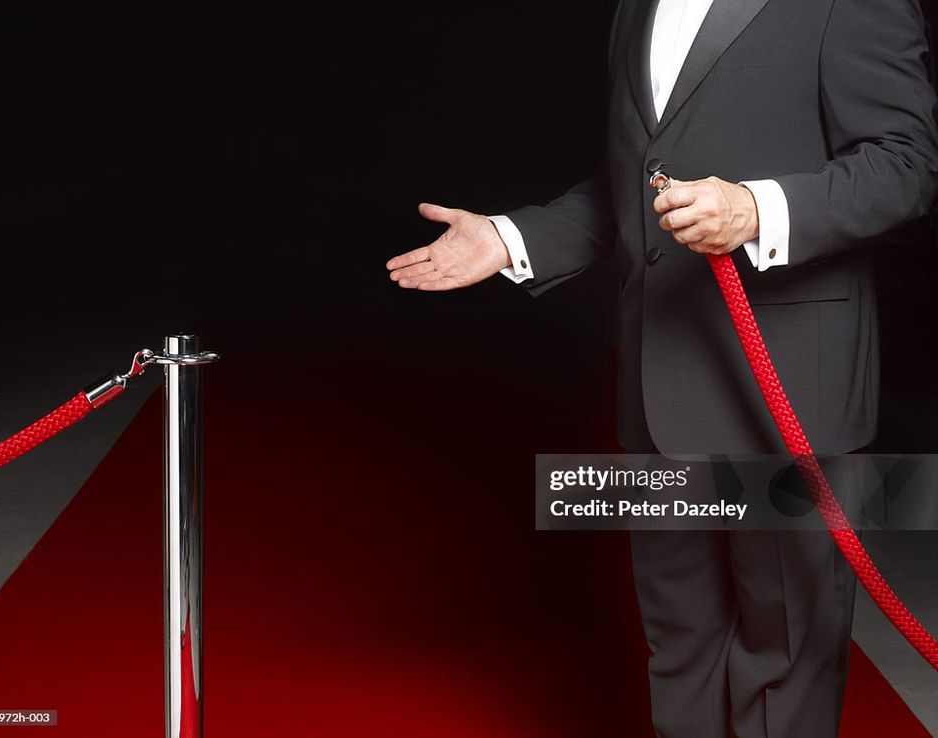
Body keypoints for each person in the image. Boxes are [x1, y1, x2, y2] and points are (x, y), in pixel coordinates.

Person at [386, 1, 938, 736]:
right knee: (678, 643)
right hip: (658, 380)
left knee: (784, 650)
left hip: (788, 385)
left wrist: (757, 210)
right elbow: (634, 181)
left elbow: (907, 162)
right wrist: (512, 238)